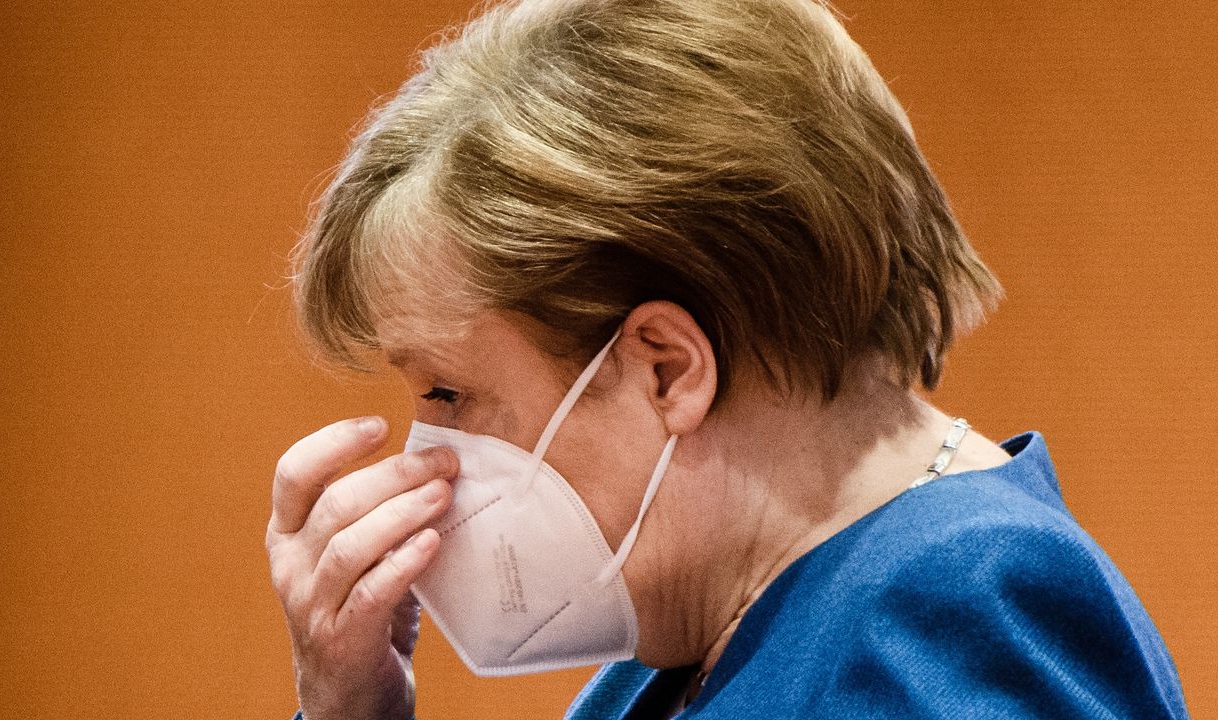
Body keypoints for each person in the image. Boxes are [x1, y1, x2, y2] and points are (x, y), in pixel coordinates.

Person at [265, 0, 1190, 718]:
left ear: (666, 367)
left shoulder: (957, 616)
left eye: (449, 390)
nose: (430, 452)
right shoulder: (682, 656)